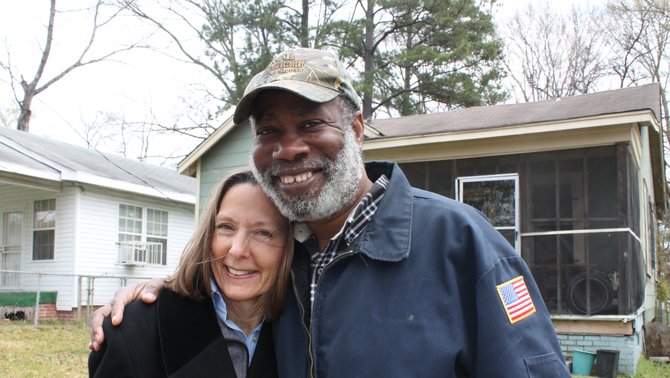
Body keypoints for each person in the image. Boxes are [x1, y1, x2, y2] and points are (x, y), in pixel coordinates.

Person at [91, 48, 571, 377]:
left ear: (357, 128)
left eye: (310, 123)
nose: (289, 148)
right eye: (269, 131)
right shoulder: (285, 254)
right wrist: (154, 299)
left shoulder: (459, 243)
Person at [88, 169, 292, 378]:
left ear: (290, 245)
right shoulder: (133, 332)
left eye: (263, 233)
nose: (237, 250)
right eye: (226, 227)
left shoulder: (302, 335)